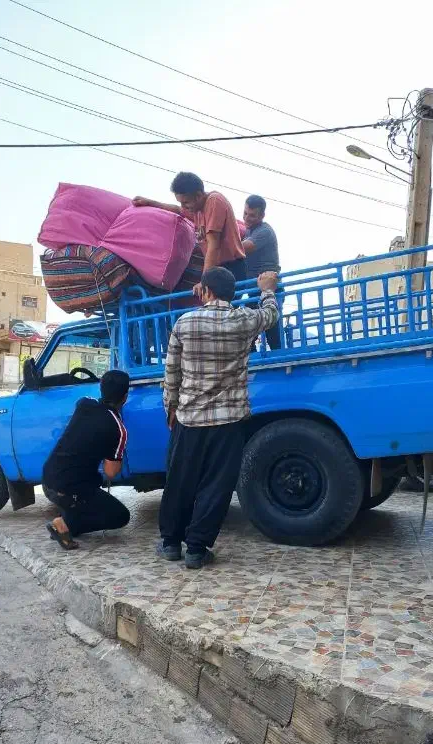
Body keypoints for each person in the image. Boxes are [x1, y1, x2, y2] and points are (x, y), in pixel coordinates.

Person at [159, 267, 279, 569]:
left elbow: (171, 372)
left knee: (180, 481)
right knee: (216, 485)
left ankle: (171, 543)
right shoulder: (243, 320)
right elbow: (270, 315)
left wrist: (170, 408)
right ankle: (197, 550)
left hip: (189, 419)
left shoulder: (184, 323)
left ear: (206, 291)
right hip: (229, 421)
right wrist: (267, 289)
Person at [43, 369, 130, 550]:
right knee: (121, 516)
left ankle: (67, 520)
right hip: (71, 489)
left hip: (48, 479)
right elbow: (110, 472)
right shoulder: (118, 428)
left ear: (101, 388)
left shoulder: (84, 404)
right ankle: (65, 526)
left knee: (87, 492)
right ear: (125, 396)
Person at [133, 173, 247, 284]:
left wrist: (204, 281)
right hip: (218, 269)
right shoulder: (197, 211)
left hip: (231, 268)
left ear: (198, 195)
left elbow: (213, 244)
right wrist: (150, 202)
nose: (184, 206)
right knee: (213, 303)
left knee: (220, 303)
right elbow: (178, 210)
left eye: (185, 202)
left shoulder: (214, 201)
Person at [242, 195, 282, 350]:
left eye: (252, 215)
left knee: (271, 328)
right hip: (255, 288)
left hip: (268, 286)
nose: (247, 218)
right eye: (245, 213)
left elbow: (244, 248)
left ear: (261, 215)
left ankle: (278, 358)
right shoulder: (249, 231)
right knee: (248, 327)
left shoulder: (264, 231)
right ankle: (251, 354)